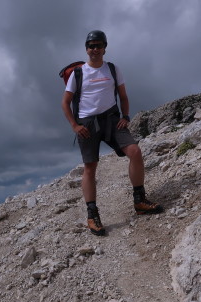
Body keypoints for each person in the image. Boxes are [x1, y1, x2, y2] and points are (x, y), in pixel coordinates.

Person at [61, 30, 162, 236]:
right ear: (86, 49)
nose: (95, 50)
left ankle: (139, 200)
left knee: (134, 151)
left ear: (105, 48)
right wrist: (74, 126)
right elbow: (65, 102)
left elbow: (123, 96)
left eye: (99, 45)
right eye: (91, 46)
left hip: (111, 119)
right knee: (90, 167)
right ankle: (92, 214)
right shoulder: (78, 73)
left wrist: (125, 116)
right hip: (87, 124)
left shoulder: (113, 70)